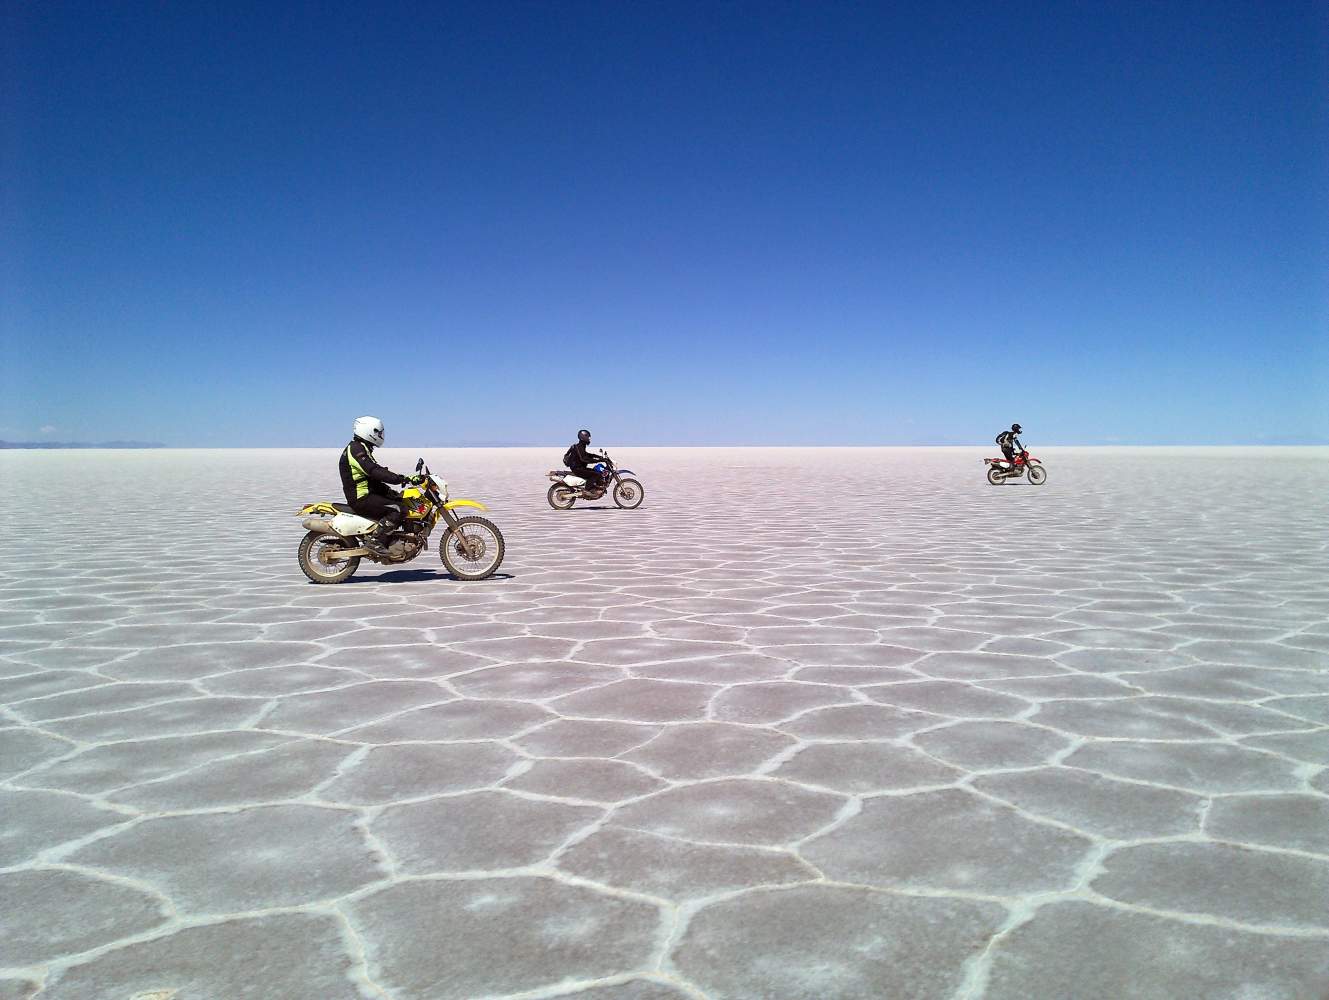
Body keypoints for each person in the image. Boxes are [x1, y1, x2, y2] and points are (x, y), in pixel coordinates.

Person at [340, 416, 416, 555]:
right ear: (368, 430)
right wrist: (401, 479)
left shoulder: (361, 448)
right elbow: (374, 471)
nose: (380, 436)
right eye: (378, 433)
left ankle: (396, 539)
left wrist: (394, 489)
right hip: (361, 498)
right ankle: (376, 541)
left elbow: (374, 473)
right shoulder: (356, 450)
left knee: (400, 500)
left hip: (368, 494)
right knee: (398, 510)